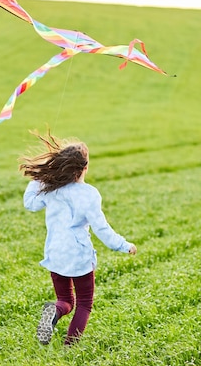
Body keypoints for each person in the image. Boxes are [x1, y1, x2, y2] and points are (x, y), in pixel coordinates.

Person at [19, 131, 137, 346]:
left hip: (55, 254)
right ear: (84, 168)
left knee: (65, 301)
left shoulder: (51, 190)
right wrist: (123, 245)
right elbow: (102, 228)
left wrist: (39, 177)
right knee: (84, 304)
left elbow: (30, 204)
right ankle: (69, 347)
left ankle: (53, 313)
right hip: (79, 257)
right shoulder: (89, 194)